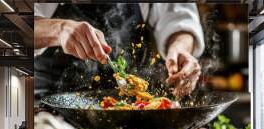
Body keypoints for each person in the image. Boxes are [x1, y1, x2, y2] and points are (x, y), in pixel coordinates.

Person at [34, 3, 205, 99]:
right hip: (52, 106)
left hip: (130, 107)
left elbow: (179, 17)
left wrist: (179, 48)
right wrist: (59, 29)